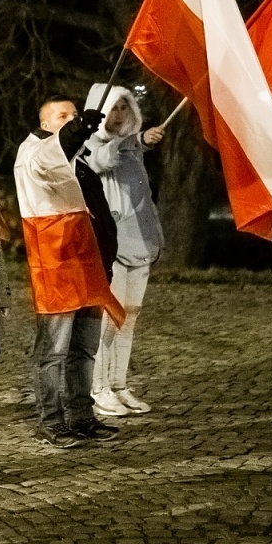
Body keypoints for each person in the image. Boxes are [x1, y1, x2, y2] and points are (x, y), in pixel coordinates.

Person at [12, 96, 125, 448]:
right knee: (54, 352)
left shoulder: (78, 163)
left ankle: (81, 415)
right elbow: (48, 159)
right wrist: (75, 130)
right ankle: (51, 421)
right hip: (57, 267)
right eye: (62, 116)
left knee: (84, 349)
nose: (72, 120)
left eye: (75, 115)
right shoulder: (32, 153)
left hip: (87, 265)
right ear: (45, 123)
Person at [84, 85, 166, 416]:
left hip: (140, 242)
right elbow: (104, 158)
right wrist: (138, 140)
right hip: (112, 246)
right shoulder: (88, 146)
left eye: (123, 107)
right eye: (112, 107)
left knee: (128, 319)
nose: (118, 114)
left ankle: (118, 383)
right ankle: (98, 388)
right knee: (108, 319)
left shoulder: (132, 152)